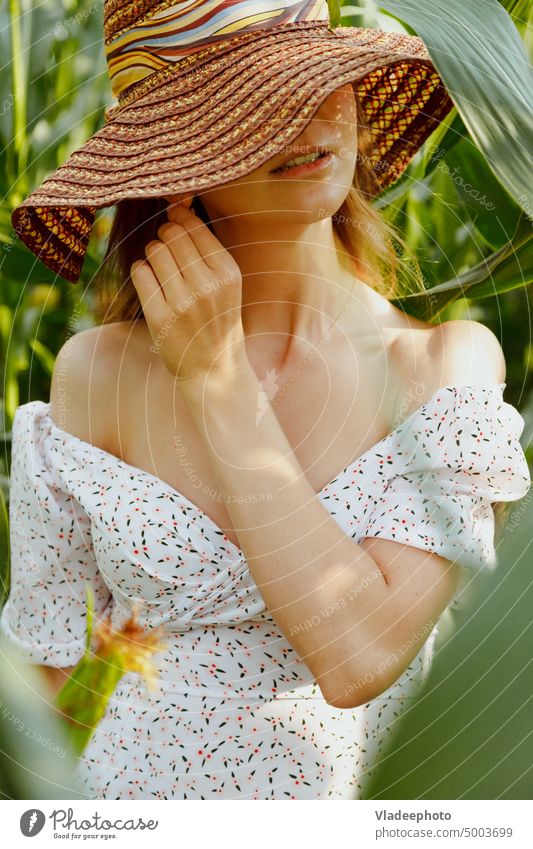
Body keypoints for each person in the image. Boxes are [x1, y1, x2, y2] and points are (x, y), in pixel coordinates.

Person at [1, 0, 530, 800]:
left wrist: (218, 380)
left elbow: (355, 657)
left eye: (321, 79)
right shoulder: (93, 374)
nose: (310, 115)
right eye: (251, 101)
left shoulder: (441, 369)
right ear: (169, 159)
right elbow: (39, 704)